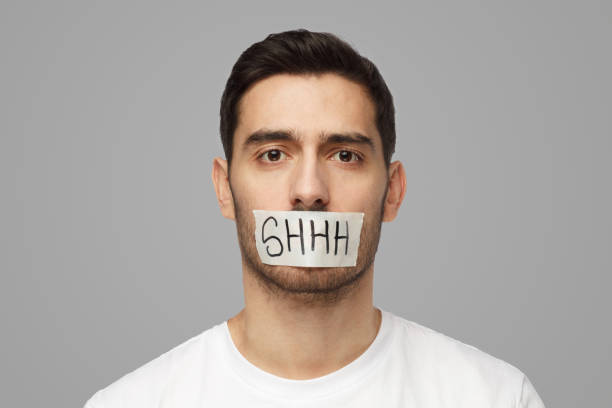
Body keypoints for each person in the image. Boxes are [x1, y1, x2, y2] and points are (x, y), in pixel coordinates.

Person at [84, 29, 545, 407]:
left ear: (393, 191)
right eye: (272, 154)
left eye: (345, 155)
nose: (309, 191)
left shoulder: (493, 398)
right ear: (224, 188)